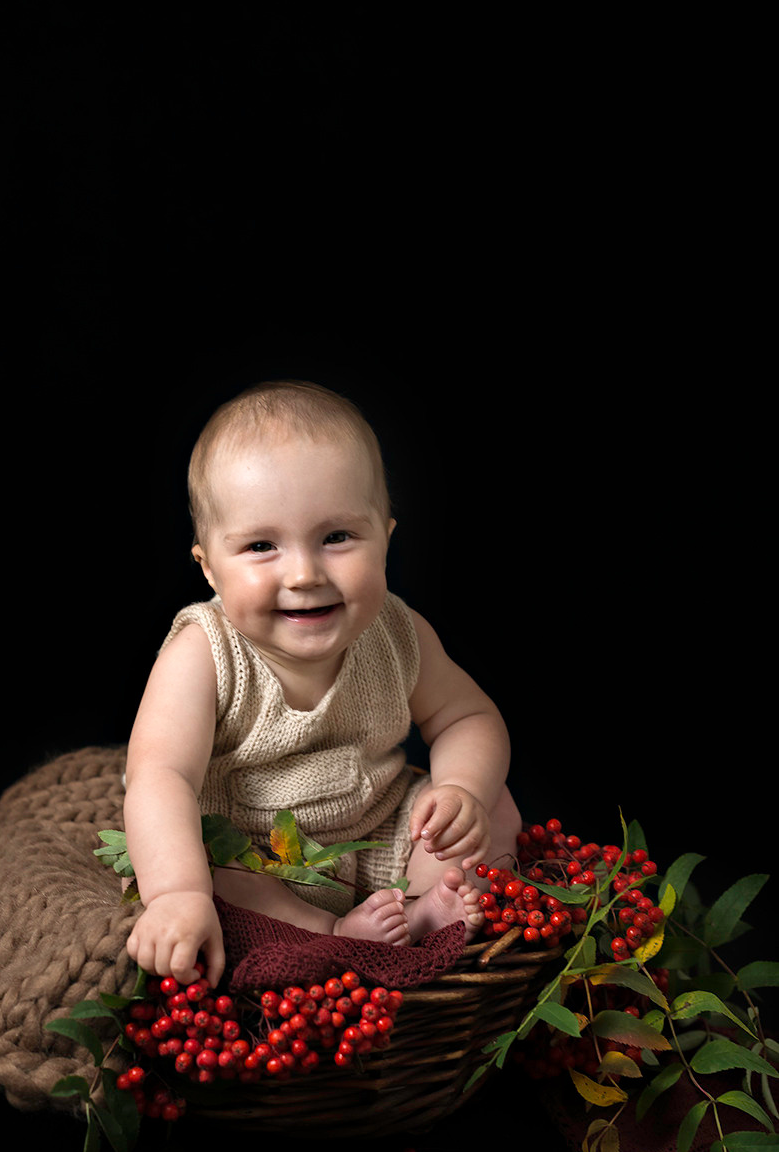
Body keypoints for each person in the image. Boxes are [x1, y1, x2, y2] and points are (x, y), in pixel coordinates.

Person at [124, 381, 522, 986]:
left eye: (336, 537)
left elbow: (467, 717)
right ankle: (330, 934)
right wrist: (176, 892)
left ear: (385, 537)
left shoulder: (397, 633)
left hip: (381, 830)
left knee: (491, 805)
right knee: (215, 872)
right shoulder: (204, 654)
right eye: (261, 546)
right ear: (210, 569)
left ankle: (424, 908)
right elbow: (160, 775)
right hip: (260, 856)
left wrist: (461, 790)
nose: (304, 574)